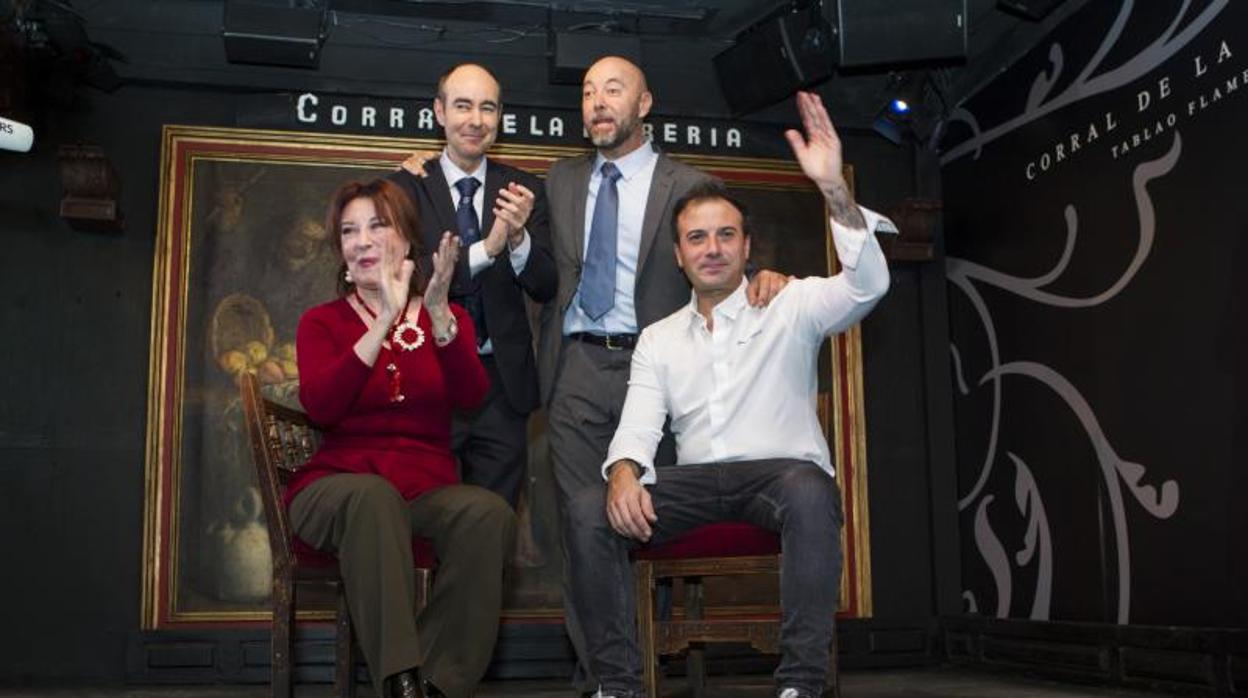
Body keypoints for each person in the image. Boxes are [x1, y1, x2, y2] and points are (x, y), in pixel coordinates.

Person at [563, 91, 892, 698]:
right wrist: (624, 472)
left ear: (746, 246)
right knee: (589, 507)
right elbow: (637, 422)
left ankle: (799, 685)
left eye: (724, 236)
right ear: (680, 256)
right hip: (694, 486)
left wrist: (834, 193)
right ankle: (618, 686)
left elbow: (867, 286)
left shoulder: (791, 303)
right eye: (696, 239)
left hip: (777, 479)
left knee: (810, 489)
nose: (711, 248)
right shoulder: (659, 339)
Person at [537, 54, 789, 692]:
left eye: (613, 90)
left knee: (651, 523)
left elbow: (725, 260)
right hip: (579, 369)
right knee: (584, 526)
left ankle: (654, 666)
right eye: (589, 91)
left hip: (666, 372)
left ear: (644, 104)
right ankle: (605, 680)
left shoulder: (689, 182)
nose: (597, 102)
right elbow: (541, 272)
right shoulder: (560, 181)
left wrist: (766, 278)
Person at [286, 178, 516, 698]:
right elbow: (322, 406)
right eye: (349, 231)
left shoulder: (446, 315)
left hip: (423, 492)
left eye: (377, 225)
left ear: (408, 241)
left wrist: (436, 315)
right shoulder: (320, 322)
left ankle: (433, 683)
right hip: (338, 489)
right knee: (373, 498)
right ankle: (397, 677)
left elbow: (472, 393)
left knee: (488, 513)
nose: (362, 241)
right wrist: (385, 316)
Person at [389, 63, 557, 507]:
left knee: (494, 525)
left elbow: (545, 284)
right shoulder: (403, 188)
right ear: (439, 112)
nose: (475, 120)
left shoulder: (524, 190)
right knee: (425, 520)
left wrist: (518, 239)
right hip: (429, 378)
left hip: (501, 387)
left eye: (487, 108)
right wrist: (490, 247)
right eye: (462, 106)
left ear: (500, 118)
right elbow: (410, 279)